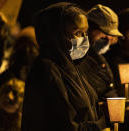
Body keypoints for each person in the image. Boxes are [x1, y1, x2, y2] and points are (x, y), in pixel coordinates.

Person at [21, 2, 106, 131]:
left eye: (86, 32)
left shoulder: (72, 66)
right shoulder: (47, 69)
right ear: (57, 35)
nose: (84, 39)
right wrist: (101, 124)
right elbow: (65, 126)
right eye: (78, 33)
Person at [77, 4, 123, 100]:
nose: (108, 38)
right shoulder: (78, 59)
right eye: (104, 32)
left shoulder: (101, 60)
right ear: (88, 29)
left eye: (111, 35)